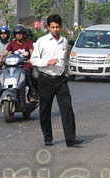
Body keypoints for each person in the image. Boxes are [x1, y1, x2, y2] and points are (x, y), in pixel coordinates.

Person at [31, 15, 82, 147]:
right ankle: (48, 137)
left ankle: (71, 138)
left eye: (57, 27)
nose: (55, 29)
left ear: (61, 27)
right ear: (48, 27)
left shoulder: (64, 41)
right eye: (52, 27)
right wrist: (47, 62)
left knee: (67, 108)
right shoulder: (41, 41)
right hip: (46, 79)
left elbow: (64, 59)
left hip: (60, 80)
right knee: (45, 110)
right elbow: (33, 60)